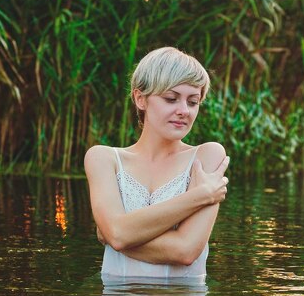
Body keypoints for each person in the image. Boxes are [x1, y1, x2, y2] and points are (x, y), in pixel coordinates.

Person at [84, 46, 230, 283]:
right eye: (171, 99)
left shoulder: (207, 157)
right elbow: (118, 234)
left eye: (193, 102)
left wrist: (116, 234)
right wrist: (202, 195)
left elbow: (185, 251)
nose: (183, 111)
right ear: (140, 98)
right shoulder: (103, 159)